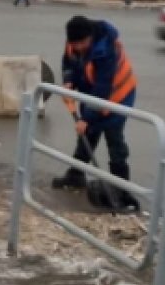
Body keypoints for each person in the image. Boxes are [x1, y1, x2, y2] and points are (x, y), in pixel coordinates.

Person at [52, 15, 139, 210]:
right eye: (76, 44)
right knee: (87, 135)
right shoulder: (74, 42)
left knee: (114, 139)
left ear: (90, 36)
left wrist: (86, 119)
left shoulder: (105, 50)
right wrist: (68, 80)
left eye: (83, 43)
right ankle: (76, 176)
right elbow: (68, 62)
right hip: (92, 94)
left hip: (117, 96)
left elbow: (102, 89)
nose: (79, 47)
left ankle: (121, 188)